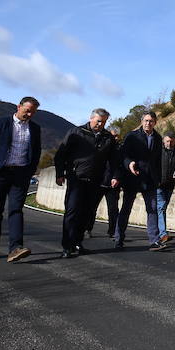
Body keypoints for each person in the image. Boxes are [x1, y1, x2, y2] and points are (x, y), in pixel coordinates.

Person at [0, 97, 42, 263]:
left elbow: (36, 153)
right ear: (18, 107)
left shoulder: (35, 129)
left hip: (20, 175)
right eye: (27, 110)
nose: (29, 114)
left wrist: (29, 172)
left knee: (16, 210)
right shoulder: (0, 123)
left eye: (33, 112)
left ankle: (15, 248)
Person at [53, 109, 119, 259]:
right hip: (77, 178)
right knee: (72, 212)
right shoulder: (77, 132)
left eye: (104, 122)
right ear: (91, 119)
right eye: (98, 121)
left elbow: (114, 159)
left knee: (87, 213)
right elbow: (61, 154)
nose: (101, 124)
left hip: (95, 180)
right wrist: (60, 173)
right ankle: (67, 245)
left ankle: (77, 242)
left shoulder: (107, 138)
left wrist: (115, 176)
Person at [116, 112, 165, 251]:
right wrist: (129, 163)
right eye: (146, 120)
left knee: (153, 209)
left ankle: (154, 241)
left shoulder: (157, 138)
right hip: (133, 178)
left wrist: (159, 179)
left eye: (151, 121)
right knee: (126, 209)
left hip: (150, 180)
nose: (148, 123)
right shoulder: (132, 136)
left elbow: (158, 161)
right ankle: (119, 238)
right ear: (141, 121)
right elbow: (123, 155)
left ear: (155, 122)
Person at [91, 127, 122, 238]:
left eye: (116, 136)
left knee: (113, 209)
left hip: (113, 184)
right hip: (99, 182)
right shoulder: (101, 146)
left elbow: (121, 166)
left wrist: (117, 177)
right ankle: (87, 228)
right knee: (92, 207)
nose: (115, 138)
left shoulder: (121, 149)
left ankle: (112, 231)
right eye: (113, 136)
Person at [156, 133, 175, 244]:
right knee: (161, 207)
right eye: (167, 141)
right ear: (164, 141)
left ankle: (158, 231)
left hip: (170, 185)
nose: (169, 143)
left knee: (162, 208)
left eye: (172, 141)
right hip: (159, 185)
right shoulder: (158, 151)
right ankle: (163, 234)